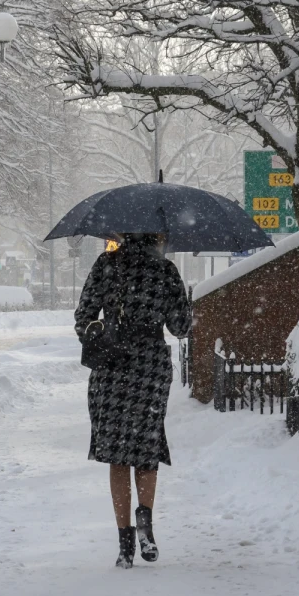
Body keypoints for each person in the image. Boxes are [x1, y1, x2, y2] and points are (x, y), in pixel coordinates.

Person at [74, 233, 192, 568]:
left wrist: (104, 330)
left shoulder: (106, 265)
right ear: (158, 235)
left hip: (111, 368)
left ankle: (125, 544)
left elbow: (83, 318)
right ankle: (146, 523)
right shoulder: (166, 270)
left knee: (117, 455)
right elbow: (181, 327)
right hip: (149, 369)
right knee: (146, 449)